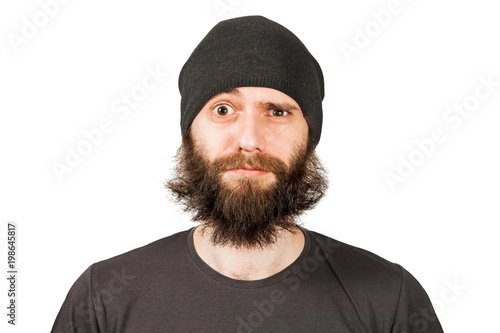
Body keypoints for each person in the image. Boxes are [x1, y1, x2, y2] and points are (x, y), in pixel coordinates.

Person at [51, 15, 444, 333]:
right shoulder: (103, 299)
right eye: (223, 109)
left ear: (309, 137)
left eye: (277, 111)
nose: (250, 140)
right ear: (190, 132)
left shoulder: (388, 299)